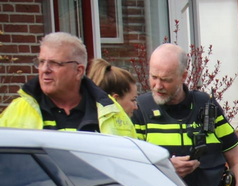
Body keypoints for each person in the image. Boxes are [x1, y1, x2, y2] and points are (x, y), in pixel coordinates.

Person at [132, 43, 238, 186]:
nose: (157, 86)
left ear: (183, 76)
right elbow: (131, 170)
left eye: (166, 79)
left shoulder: (207, 106)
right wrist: (166, 168)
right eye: (153, 77)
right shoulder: (139, 110)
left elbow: (237, 161)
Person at [0, 32, 136, 136]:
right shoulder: (16, 111)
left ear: (78, 71)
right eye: (41, 62)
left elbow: (130, 165)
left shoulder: (111, 112)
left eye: (54, 63)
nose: (45, 70)